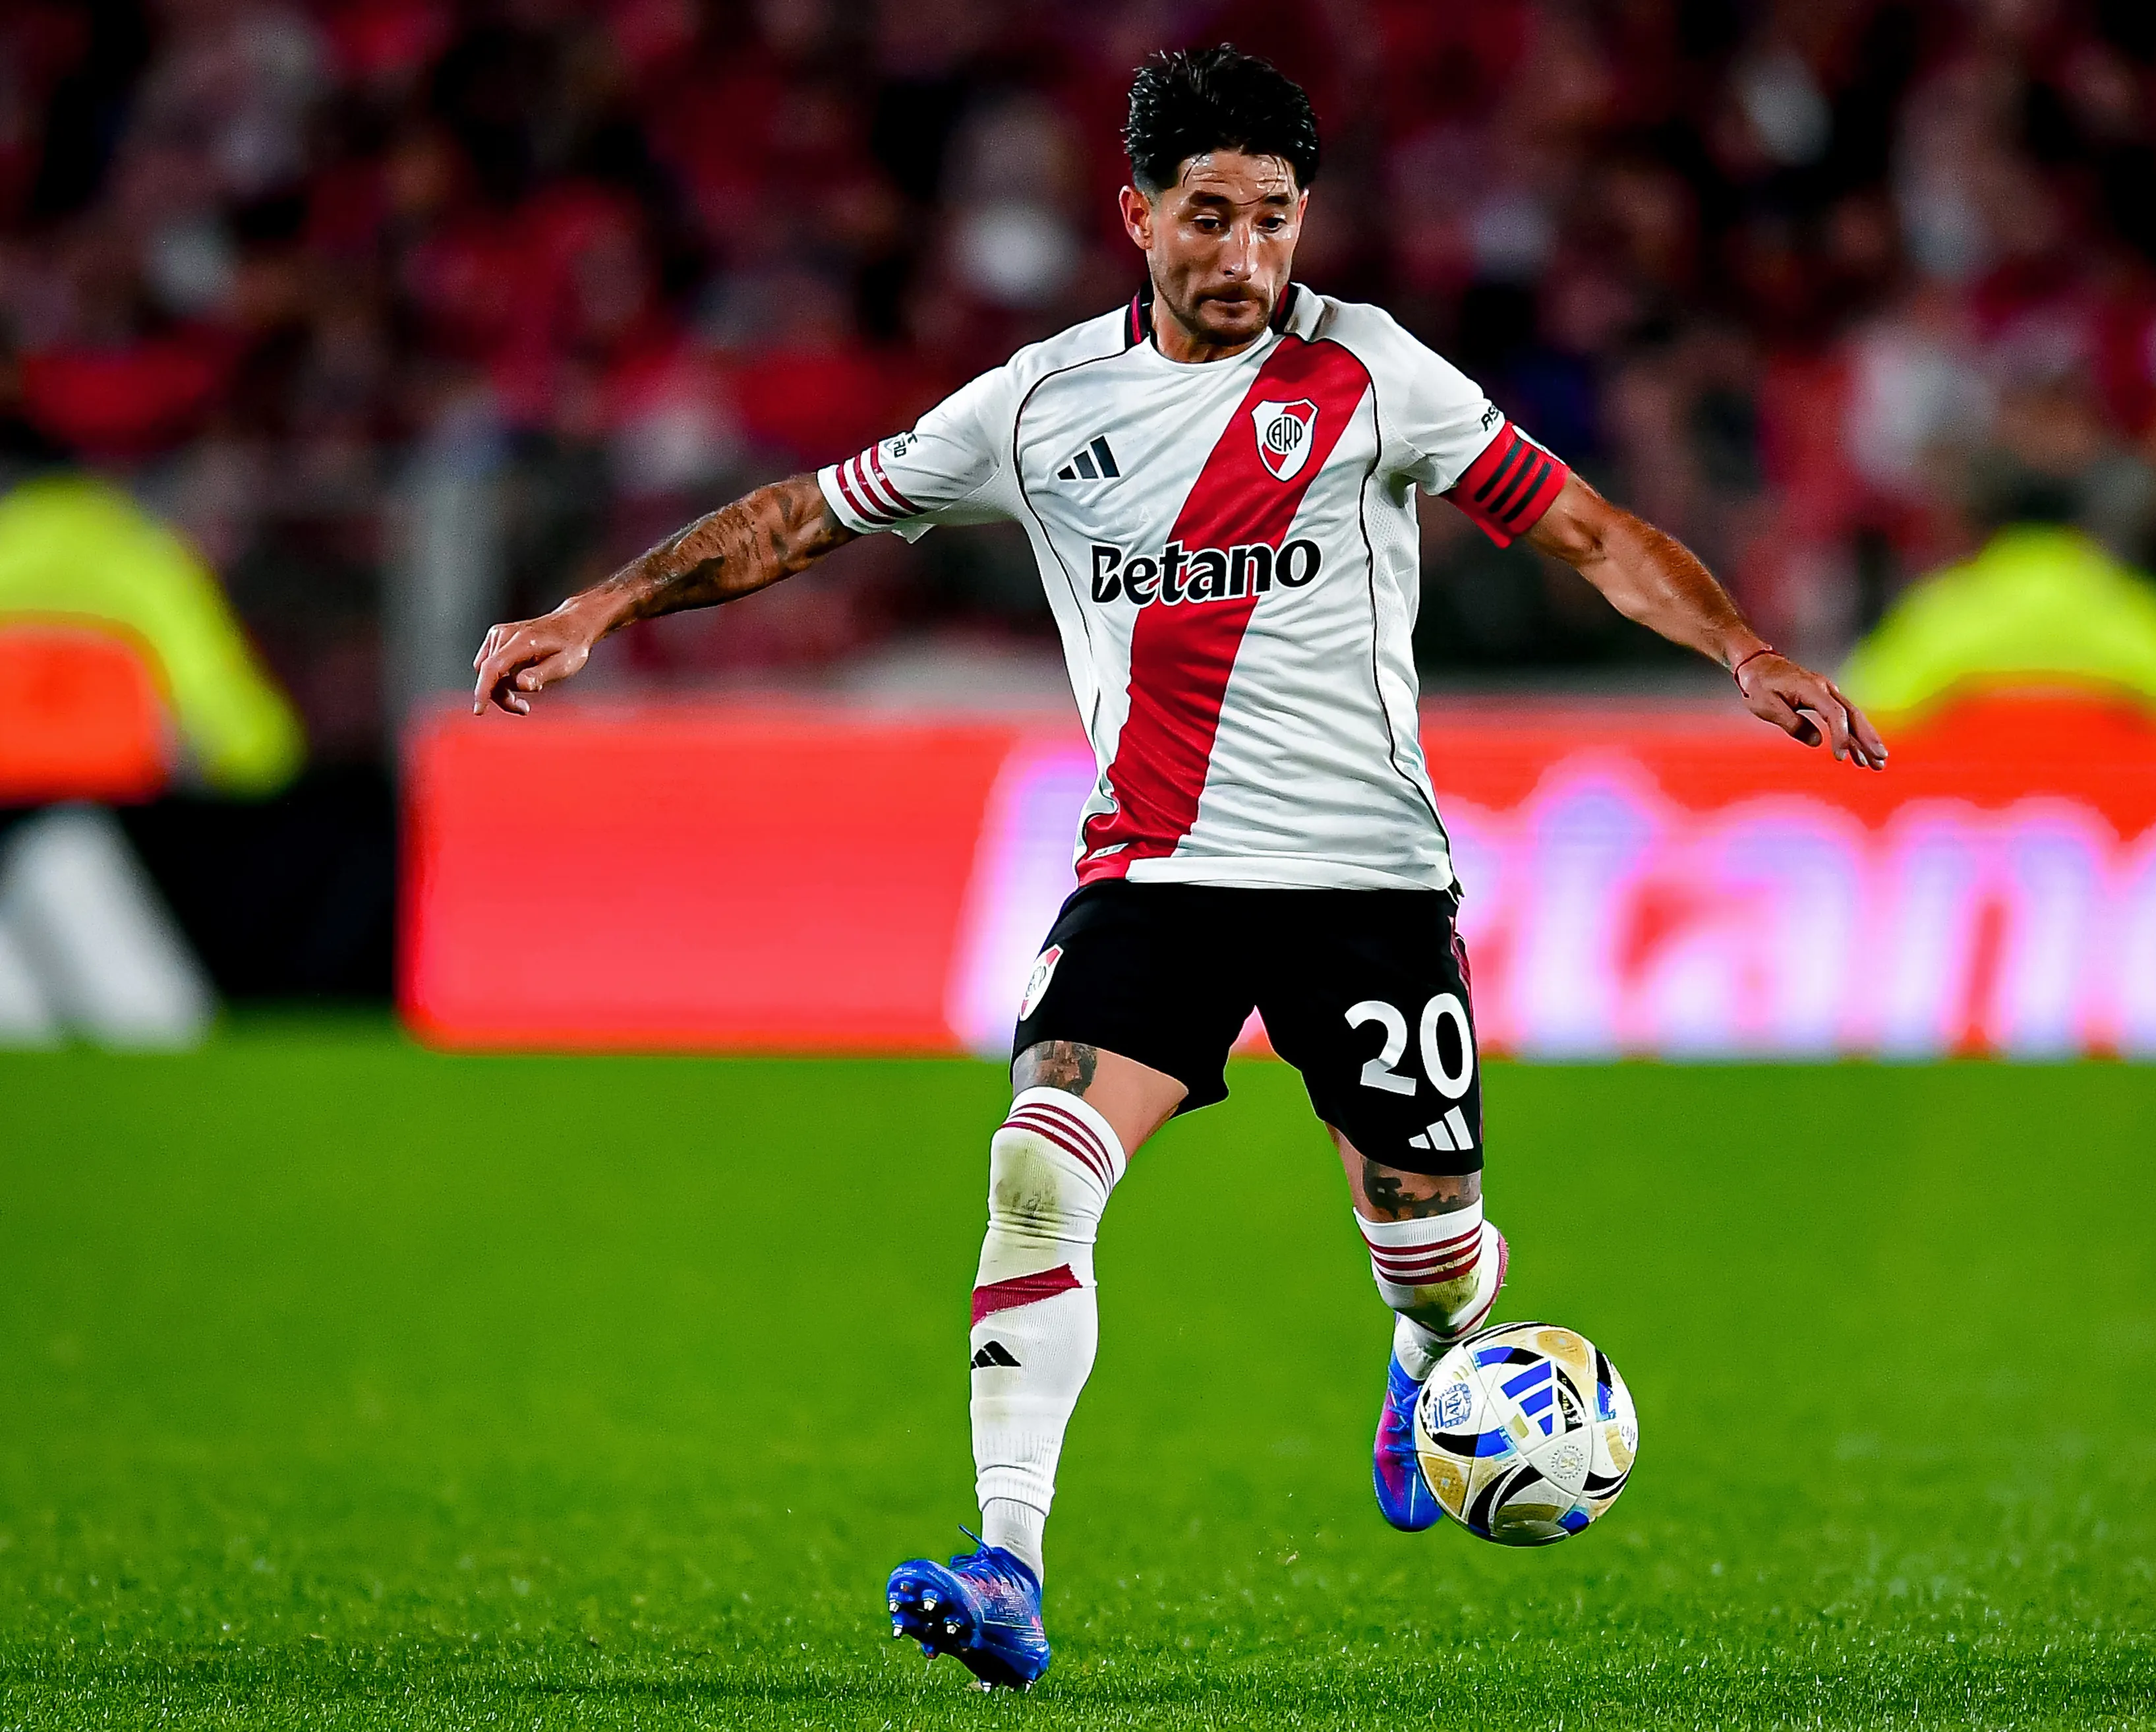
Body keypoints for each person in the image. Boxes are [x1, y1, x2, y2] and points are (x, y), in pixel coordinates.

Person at [471, 45, 1886, 1692]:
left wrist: (1738, 645)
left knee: (1429, 1232)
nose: (1242, 259)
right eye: (1207, 218)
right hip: (1153, 881)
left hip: (1367, 885)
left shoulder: (1373, 374)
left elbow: (1577, 527)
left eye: (1273, 221)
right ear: (1133, 212)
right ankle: (1008, 1559)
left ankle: (1426, 1357)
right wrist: (598, 609)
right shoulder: (1039, 404)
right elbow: (811, 516)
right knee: (1036, 1166)